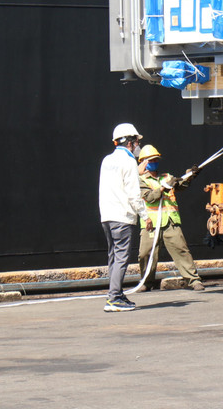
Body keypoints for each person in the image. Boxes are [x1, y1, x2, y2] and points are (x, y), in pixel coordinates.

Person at [136, 145, 205, 292]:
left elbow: (180, 184)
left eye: (156, 159)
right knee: (145, 254)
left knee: (181, 250)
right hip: (151, 224)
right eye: (151, 160)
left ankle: (194, 280)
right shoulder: (140, 180)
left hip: (170, 221)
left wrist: (190, 174)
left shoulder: (166, 177)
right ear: (143, 162)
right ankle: (146, 282)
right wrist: (163, 188)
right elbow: (149, 197)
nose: (154, 162)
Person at [99, 123, 151, 312]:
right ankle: (113, 298)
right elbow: (133, 194)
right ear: (130, 142)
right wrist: (145, 216)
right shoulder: (129, 162)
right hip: (123, 216)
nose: (138, 144)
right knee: (122, 257)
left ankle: (116, 293)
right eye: (136, 141)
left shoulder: (107, 160)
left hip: (107, 216)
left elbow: (114, 185)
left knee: (113, 256)